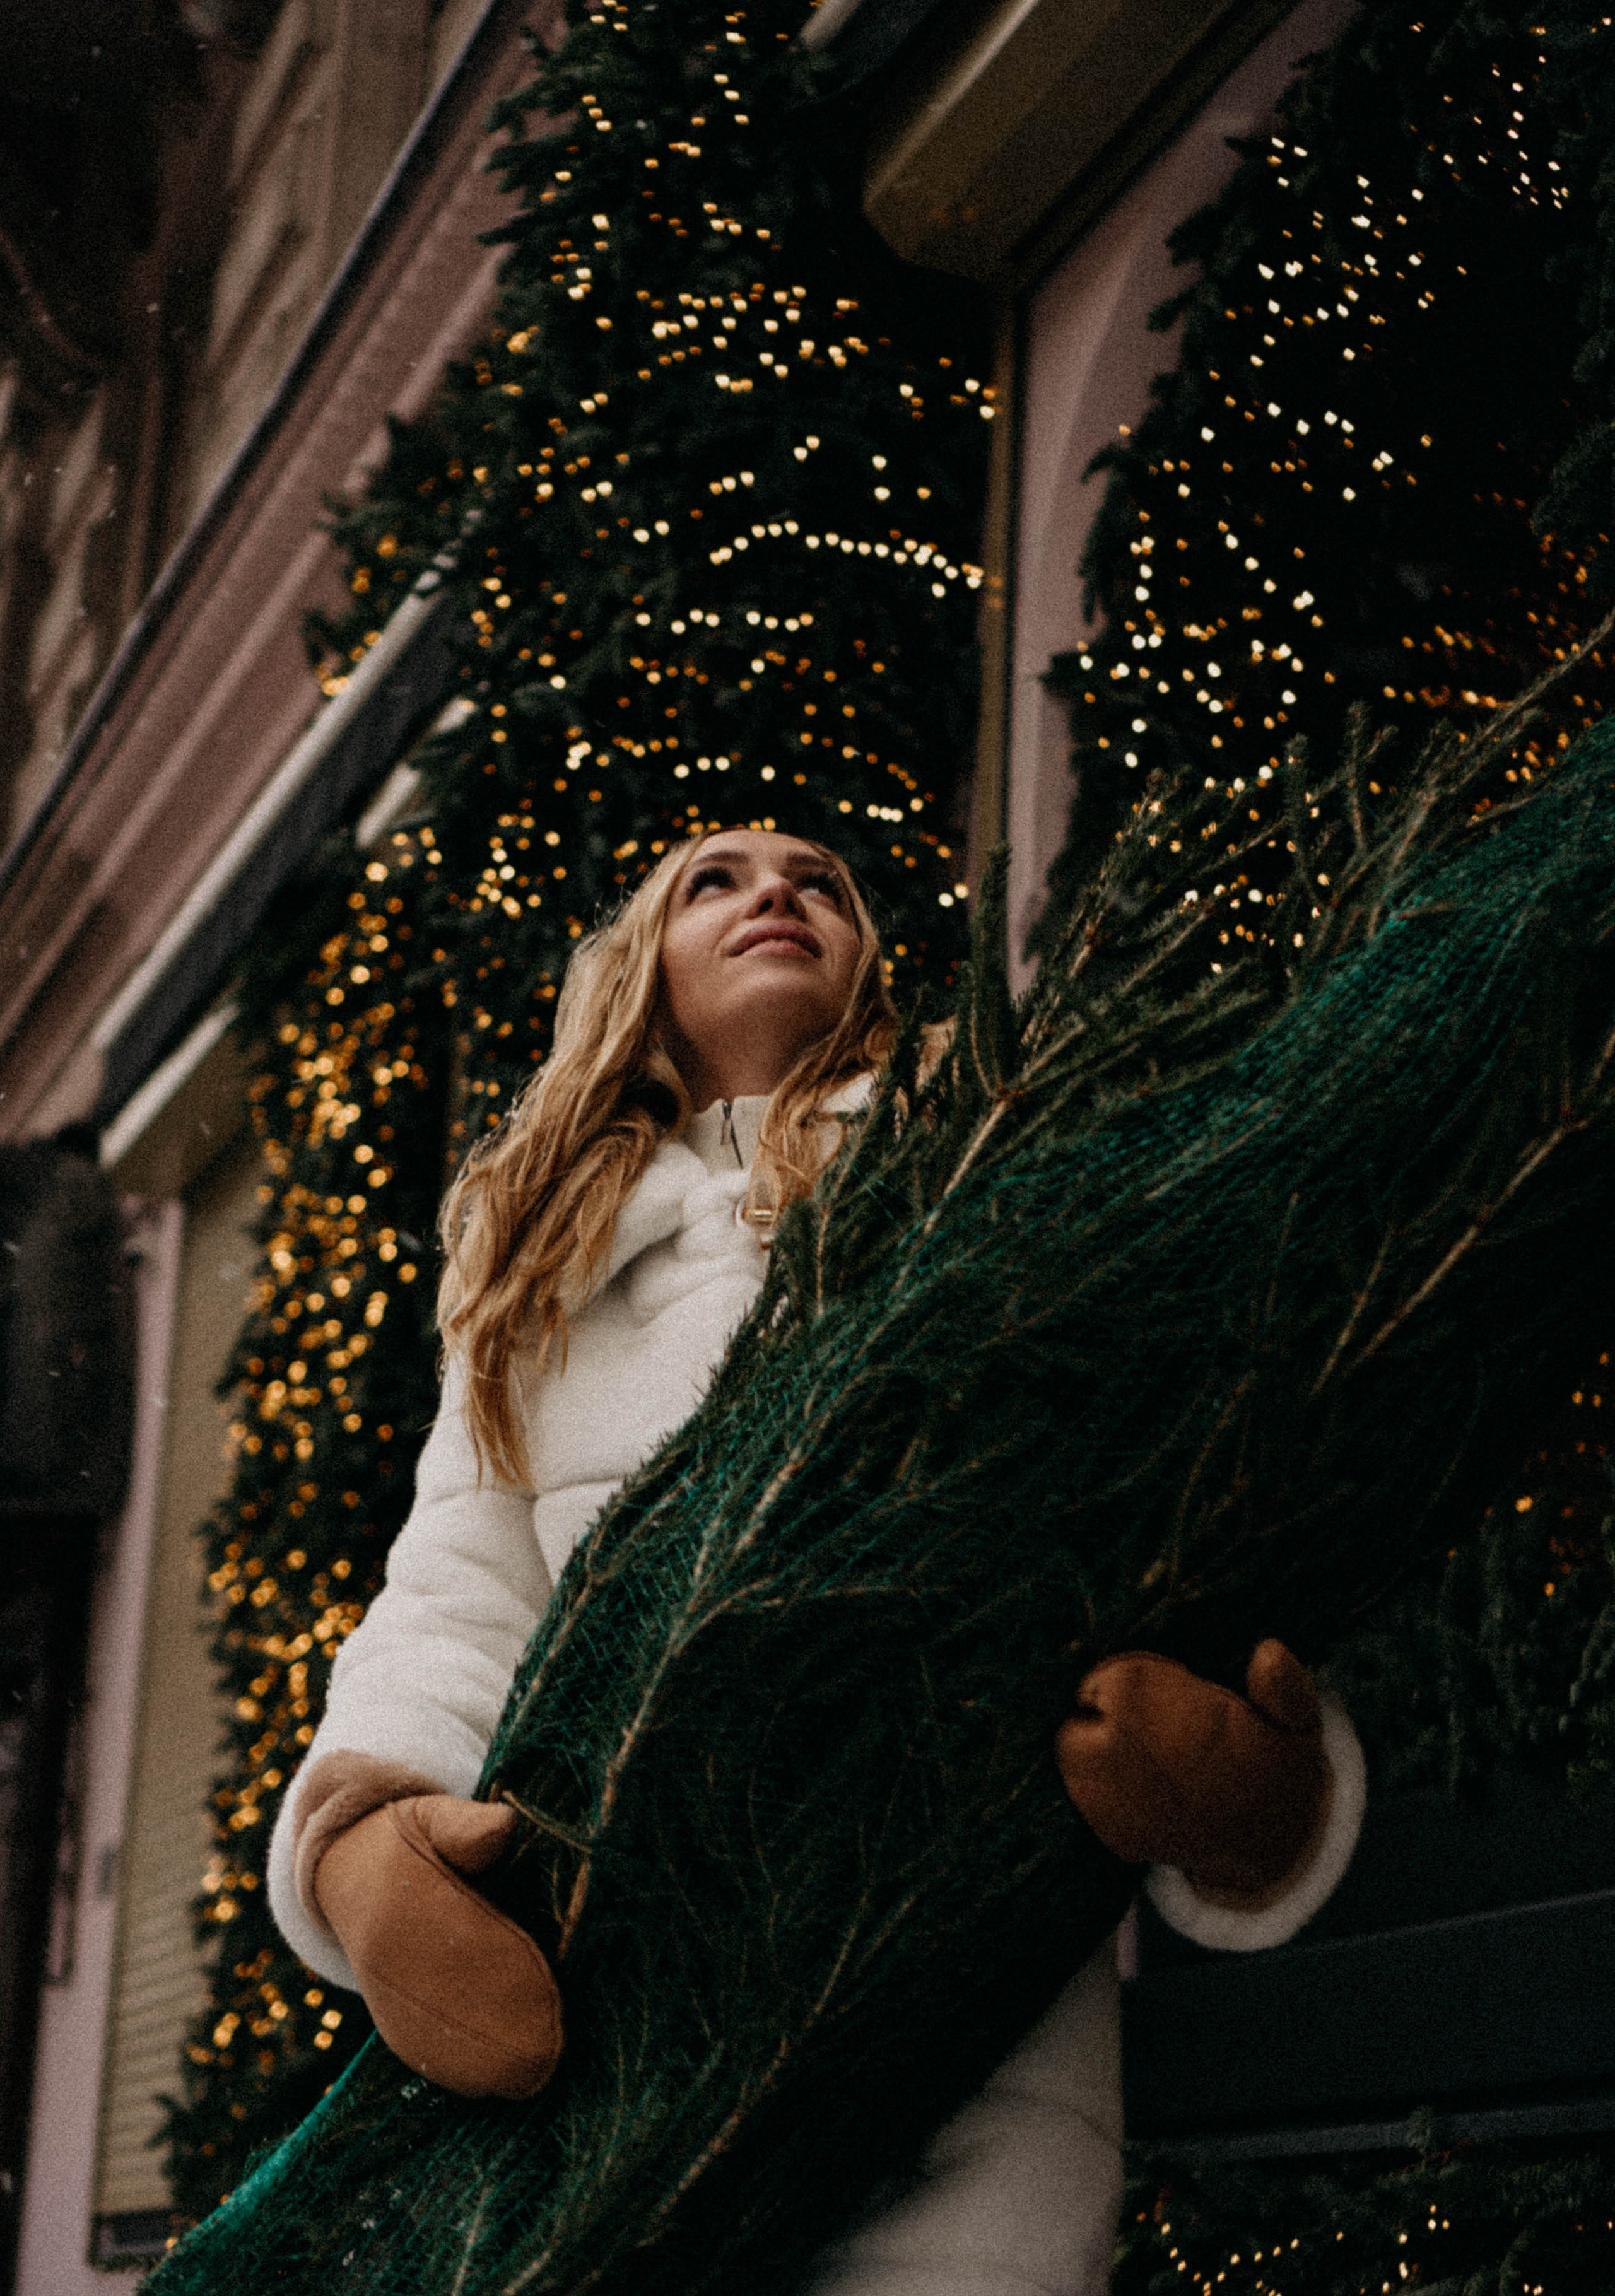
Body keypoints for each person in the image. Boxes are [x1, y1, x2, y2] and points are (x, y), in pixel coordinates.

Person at [267, 828, 1365, 2296]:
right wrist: (361, 1847)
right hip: (634, 2015)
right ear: (637, 971)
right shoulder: (541, 1277)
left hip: (967, 1999)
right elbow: (454, 1602)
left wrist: (1248, 1791)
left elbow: (1153, 1498)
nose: (773, 892)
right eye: (711, 881)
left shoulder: (987, 1169)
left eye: (819, 883)